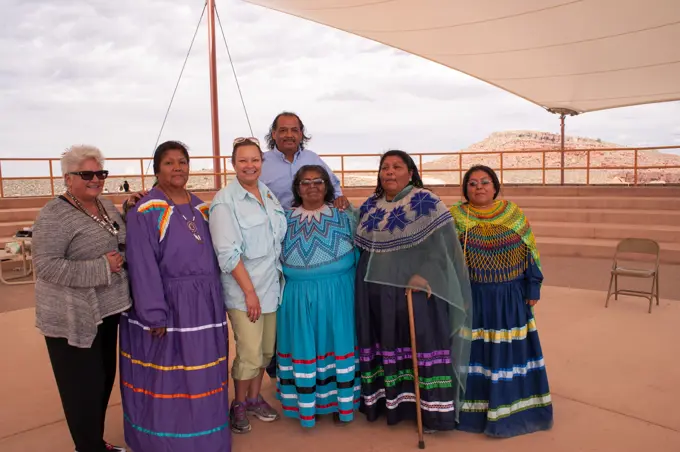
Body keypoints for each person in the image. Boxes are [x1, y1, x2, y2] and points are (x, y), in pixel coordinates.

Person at [119, 141, 231, 452]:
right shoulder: (147, 209)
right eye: (169, 163)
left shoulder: (202, 208)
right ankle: (166, 442)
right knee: (168, 374)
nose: (177, 168)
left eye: (182, 162)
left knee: (202, 372)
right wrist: (154, 313)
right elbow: (142, 264)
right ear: (157, 170)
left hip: (204, 307)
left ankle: (206, 439)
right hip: (167, 304)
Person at [354, 150, 472, 433]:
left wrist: (425, 273)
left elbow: (442, 249)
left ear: (410, 172)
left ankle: (431, 413)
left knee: (420, 342)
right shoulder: (371, 206)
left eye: (397, 166)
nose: (390, 172)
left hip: (414, 289)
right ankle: (387, 404)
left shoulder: (425, 202)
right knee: (385, 342)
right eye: (385, 167)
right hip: (376, 290)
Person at [32, 145, 130, 452]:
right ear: (68, 178)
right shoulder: (54, 215)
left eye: (100, 173)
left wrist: (133, 208)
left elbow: (121, 237)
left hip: (106, 310)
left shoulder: (106, 205)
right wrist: (102, 267)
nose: (95, 179)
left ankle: (94, 444)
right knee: (81, 390)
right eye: (86, 174)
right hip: (71, 317)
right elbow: (46, 265)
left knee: (101, 382)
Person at [450, 165, 553, 438]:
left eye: (485, 182)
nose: (479, 187)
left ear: (495, 187)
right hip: (474, 298)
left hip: (510, 297)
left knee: (509, 353)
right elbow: (445, 257)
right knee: (476, 354)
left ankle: (513, 412)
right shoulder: (455, 217)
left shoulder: (513, 214)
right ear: (465, 190)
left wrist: (533, 287)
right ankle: (474, 414)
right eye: (472, 183)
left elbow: (530, 252)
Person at [260, 111, 350, 377]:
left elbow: (334, 189)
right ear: (273, 134)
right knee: (281, 306)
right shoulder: (261, 163)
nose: (289, 134)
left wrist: (341, 201)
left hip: (313, 232)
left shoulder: (312, 160)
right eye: (283, 130)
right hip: (274, 240)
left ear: (302, 133)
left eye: (294, 130)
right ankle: (285, 372)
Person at [209, 137, 287, 434]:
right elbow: (228, 253)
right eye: (243, 160)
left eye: (255, 159)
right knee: (250, 353)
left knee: (266, 353)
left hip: (271, 288)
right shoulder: (225, 202)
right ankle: (239, 404)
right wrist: (249, 293)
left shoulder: (267, 195)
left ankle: (255, 399)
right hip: (245, 293)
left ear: (261, 163)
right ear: (233, 164)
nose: (250, 165)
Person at [276, 165, 360, 428]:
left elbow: (364, 247)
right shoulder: (283, 218)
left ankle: (341, 403)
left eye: (318, 181)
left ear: (327, 186)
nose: (312, 186)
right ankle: (306, 404)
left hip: (339, 294)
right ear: (297, 188)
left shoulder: (344, 214)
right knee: (304, 346)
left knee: (337, 343)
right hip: (297, 297)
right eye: (305, 182)